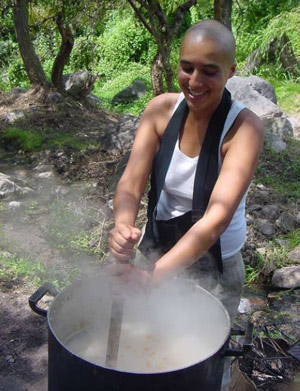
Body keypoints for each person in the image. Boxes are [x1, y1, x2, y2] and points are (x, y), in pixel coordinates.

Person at [108, 19, 263, 390]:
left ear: (231, 71)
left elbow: (216, 218)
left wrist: (156, 276)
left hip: (217, 266)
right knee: (147, 343)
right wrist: (123, 225)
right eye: (187, 67)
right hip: (156, 249)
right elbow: (131, 181)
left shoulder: (244, 129)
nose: (195, 82)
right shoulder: (160, 110)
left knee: (204, 363)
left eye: (210, 72)